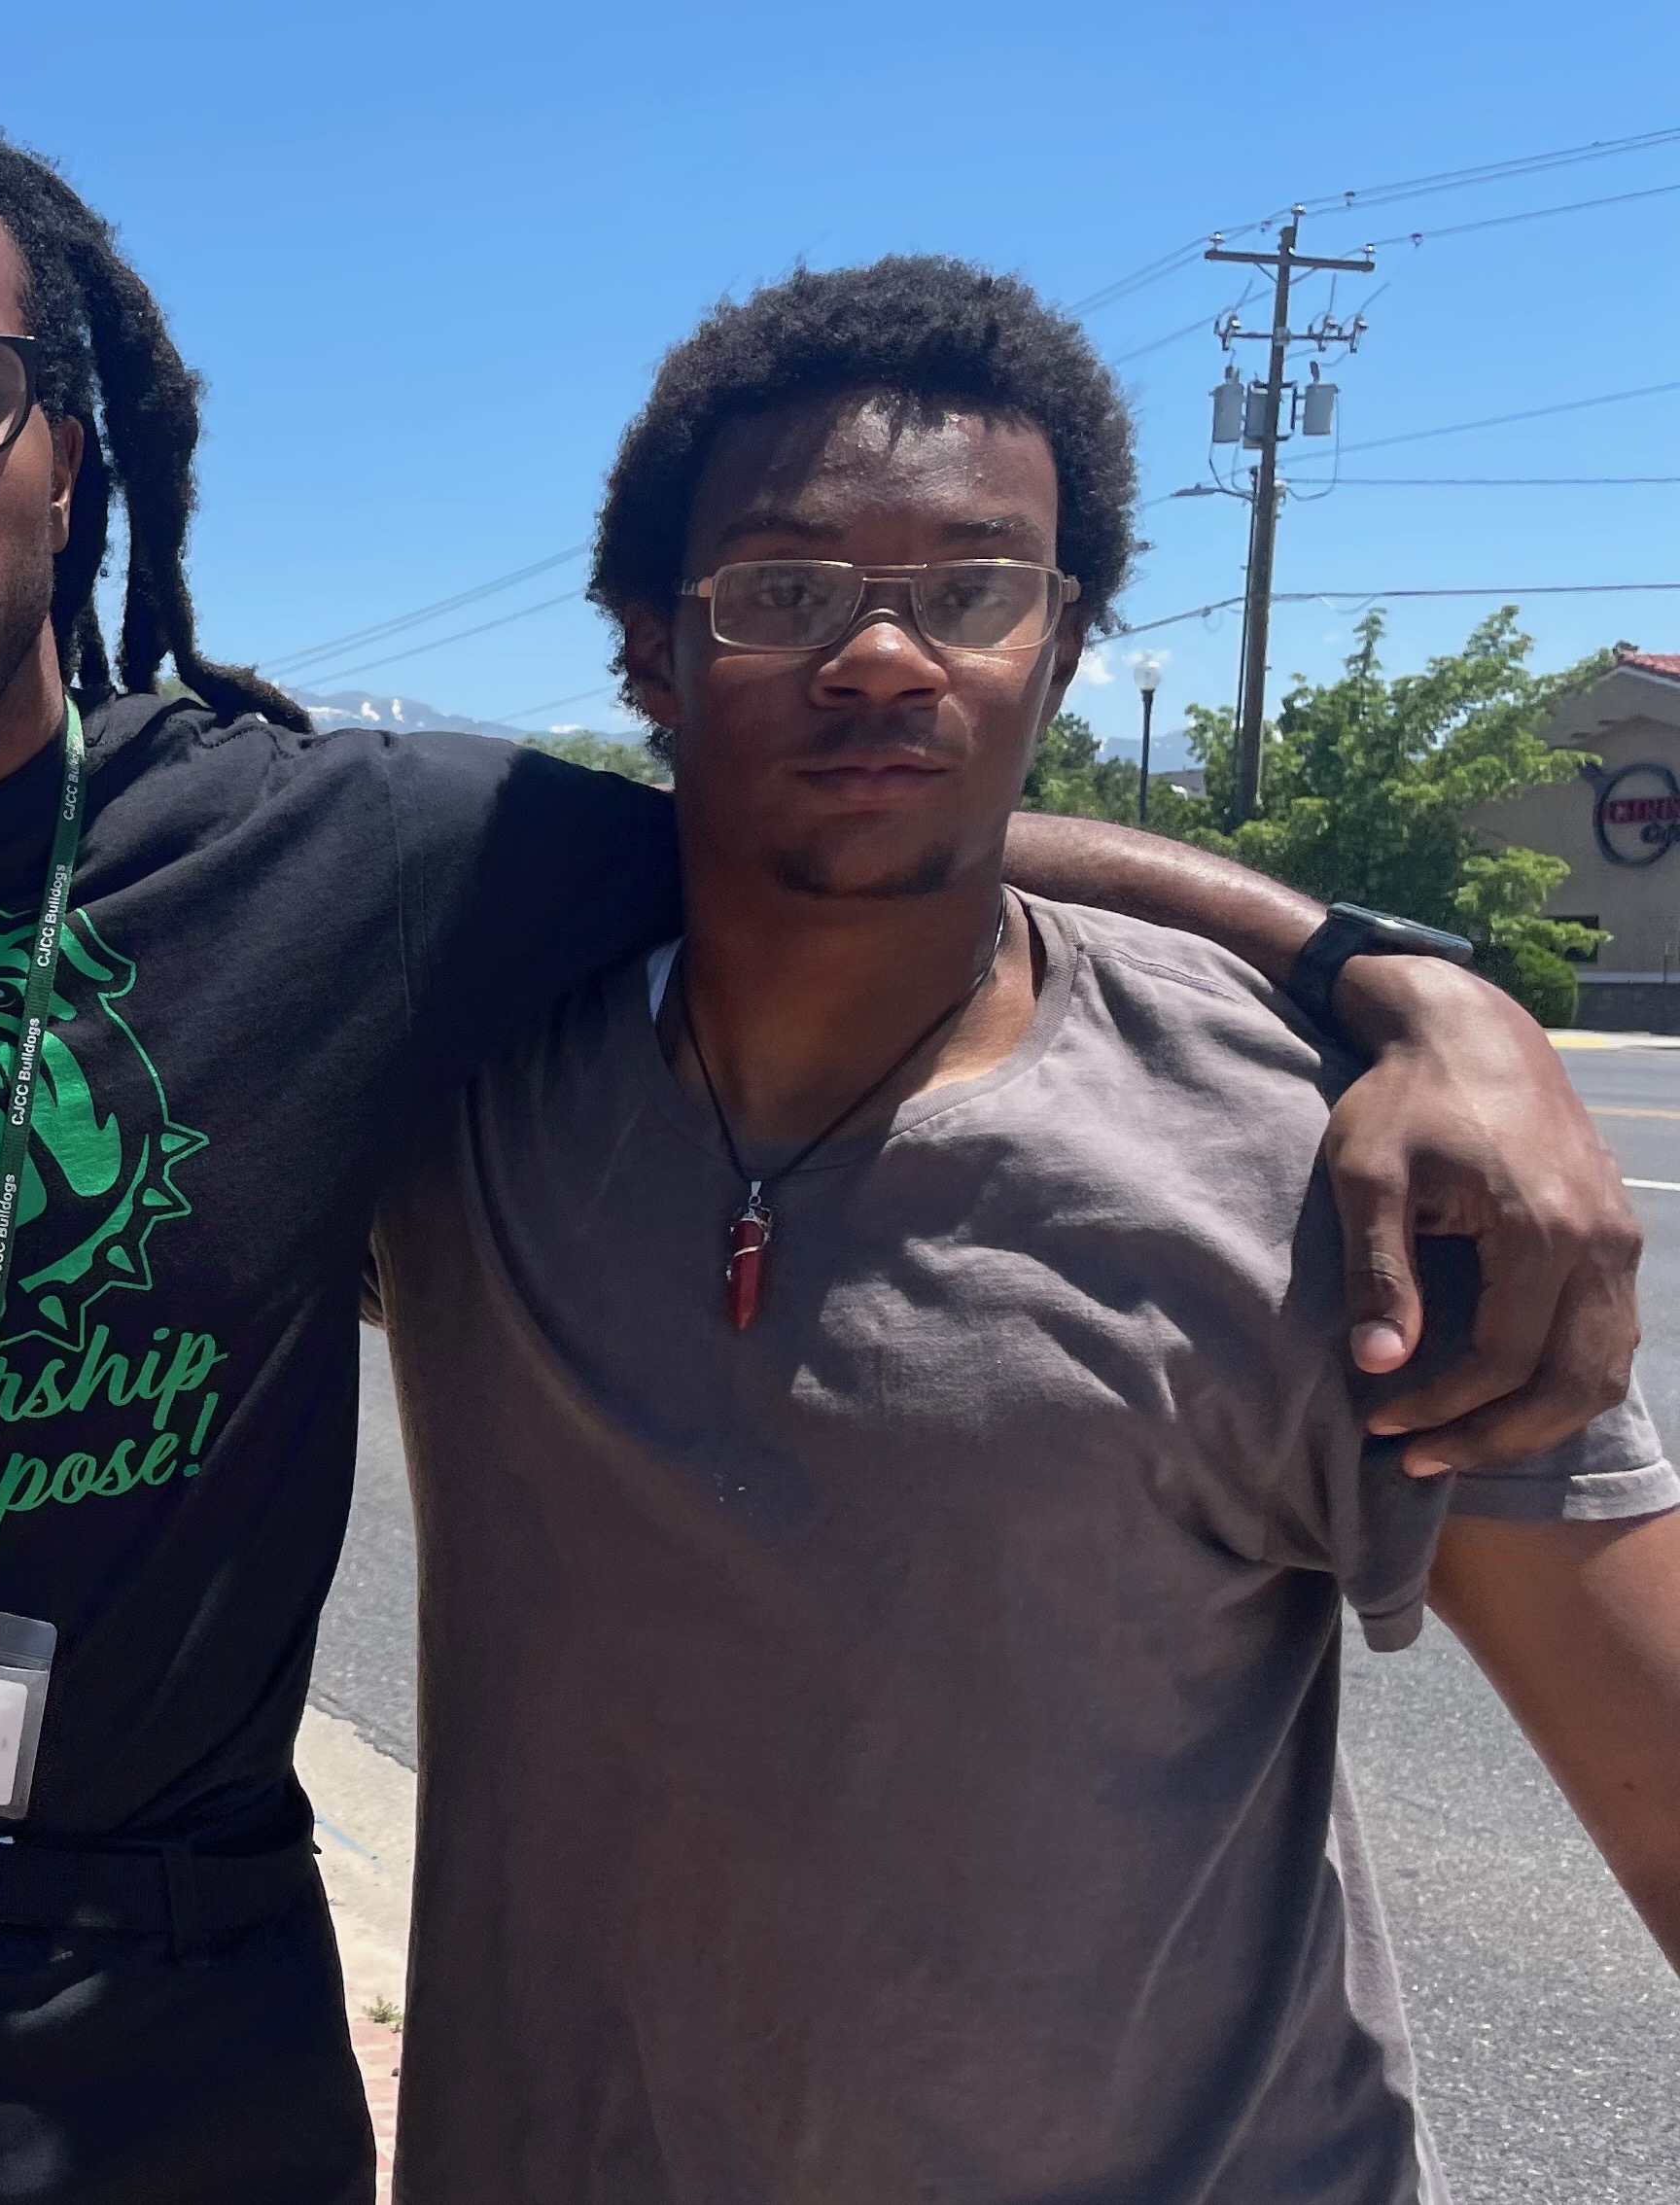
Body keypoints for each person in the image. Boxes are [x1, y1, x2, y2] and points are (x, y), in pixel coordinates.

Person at [0, 80, 1639, 2204]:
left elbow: (853, 805)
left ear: (73, 444)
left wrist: (1391, 974)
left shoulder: (356, 859)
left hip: (179, 2021)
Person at [368, 259, 1680, 2201]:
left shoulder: (1335, 1175)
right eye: (784, 593)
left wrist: (1397, 987)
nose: (885, 657)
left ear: (1062, 649)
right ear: (650, 649)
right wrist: (1373, 952)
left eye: (973, 592)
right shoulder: (461, 1096)